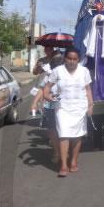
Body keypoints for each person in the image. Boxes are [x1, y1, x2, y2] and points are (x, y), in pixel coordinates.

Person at [44, 47, 93, 178]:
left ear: (79, 60)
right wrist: (48, 96)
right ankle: (64, 164)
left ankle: (73, 161)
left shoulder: (84, 71)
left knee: (77, 135)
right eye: (69, 58)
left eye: (74, 59)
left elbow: (88, 90)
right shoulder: (57, 71)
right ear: (65, 58)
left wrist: (90, 105)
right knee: (64, 135)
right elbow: (47, 88)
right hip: (62, 108)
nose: (71, 61)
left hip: (80, 107)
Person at [40, 53, 64, 163]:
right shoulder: (48, 77)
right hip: (51, 107)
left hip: (65, 107)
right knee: (54, 131)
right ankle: (57, 153)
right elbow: (42, 91)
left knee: (62, 131)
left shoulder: (69, 76)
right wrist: (41, 103)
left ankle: (62, 152)